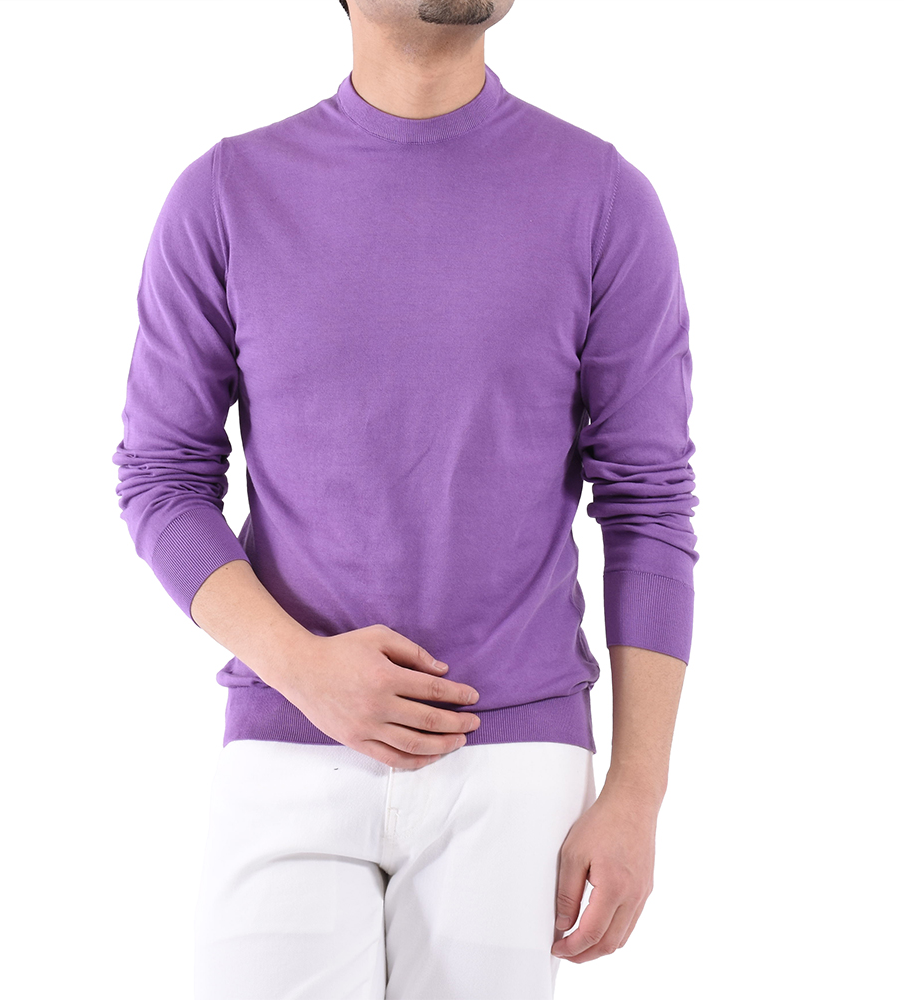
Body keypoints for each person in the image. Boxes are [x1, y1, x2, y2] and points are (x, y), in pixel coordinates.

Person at [112, 0, 699, 996]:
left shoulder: (603, 199)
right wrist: (301, 666)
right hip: (287, 738)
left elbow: (649, 504)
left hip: (514, 761)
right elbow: (161, 478)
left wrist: (636, 793)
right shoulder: (225, 196)